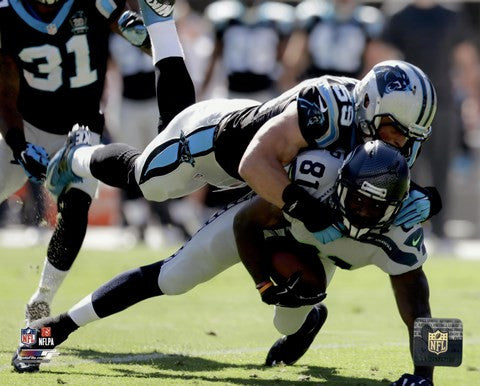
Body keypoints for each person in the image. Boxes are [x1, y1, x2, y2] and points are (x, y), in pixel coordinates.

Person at [13, 140, 433, 386]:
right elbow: (249, 224)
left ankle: (307, 318)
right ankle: (55, 329)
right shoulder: (316, 178)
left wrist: (427, 375)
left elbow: (421, 304)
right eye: (356, 198)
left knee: (288, 318)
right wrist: (263, 284)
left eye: (373, 207)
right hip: (264, 224)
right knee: (173, 277)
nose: (360, 211)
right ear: (341, 181)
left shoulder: (397, 230)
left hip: (316, 256)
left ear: (395, 208)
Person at [46, 60, 441, 246]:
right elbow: (253, 162)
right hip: (210, 143)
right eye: (394, 131)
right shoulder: (326, 107)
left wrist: (425, 198)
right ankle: (79, 155)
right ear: (371, 107)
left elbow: (385, 180)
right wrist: (304, 207)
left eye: (409, 137)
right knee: (144, 179)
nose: (399, 145)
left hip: (247, 173)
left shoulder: (384, 129)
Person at [0, 0, 194, 330]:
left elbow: (147, 41)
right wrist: (19, 145)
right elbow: (4, 89)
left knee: (75, 209)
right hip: (28, 125)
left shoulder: (95, 2)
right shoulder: (7, 13)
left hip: (82, 132)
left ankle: (42, 298)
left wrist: (147, 31)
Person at [369, 0, 479, 242]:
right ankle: (409, 227)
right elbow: (380, 57)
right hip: (408, 107)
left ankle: (439, 229)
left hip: (445, 104)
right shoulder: (399, 16)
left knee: (442, 168)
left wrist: (473, 100)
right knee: (407, 168)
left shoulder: (451, 15)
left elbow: (467, 59)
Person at [200, 0, 294, 102]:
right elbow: (215, 55)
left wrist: (288, 87)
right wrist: (202, 90)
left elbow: (282, 58)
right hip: (234, 92)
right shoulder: (226, 18)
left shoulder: (275, 19)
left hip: (264, 91)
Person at [281, 0, 384, 87]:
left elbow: (372, 64)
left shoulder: (365, 22)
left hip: (350, 86)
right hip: (315, 85)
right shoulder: (314, 18)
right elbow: (294, 60)